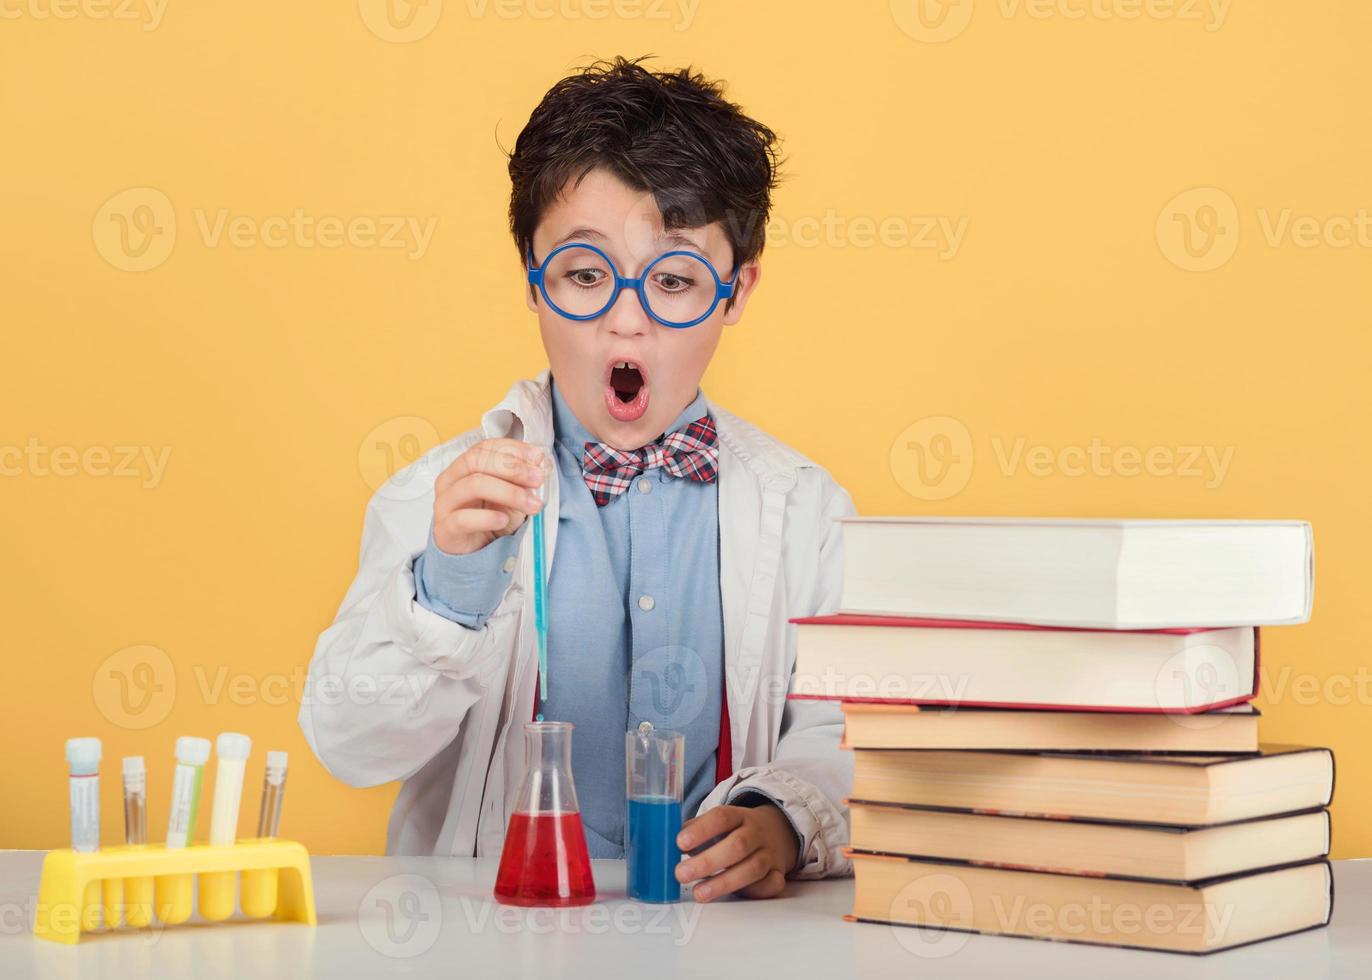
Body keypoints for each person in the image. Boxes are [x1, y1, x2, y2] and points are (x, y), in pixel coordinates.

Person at [300, 55, 856, 902]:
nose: (626, 319)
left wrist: (785, 819)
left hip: (727, 938)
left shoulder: (807, 509)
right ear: (532, 277)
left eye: (674, 280)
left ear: (736, 291)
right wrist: (444, 593)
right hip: (493, 931)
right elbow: (349, 744)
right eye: (585, 276)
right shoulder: (440, 500)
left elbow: (838, 730)